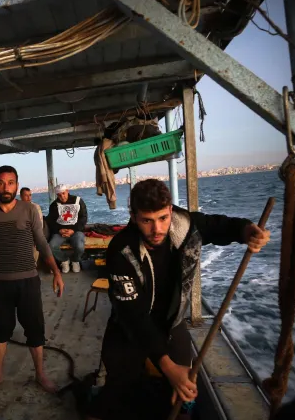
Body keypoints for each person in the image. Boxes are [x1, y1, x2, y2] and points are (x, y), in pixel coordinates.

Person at [87, 179, 270, 420]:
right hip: (129, 327)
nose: (157, 229)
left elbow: (218, 226)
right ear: (133, 217)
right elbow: (133, 316)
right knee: (117, 394)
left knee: (184, 397)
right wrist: (167, 366)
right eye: (147, 221)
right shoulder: (121, 250)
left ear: (170, 210)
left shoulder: (185, 225)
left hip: (172, 322)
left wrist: (246, 231)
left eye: (163, 218)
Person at [0, 166, 65, 396]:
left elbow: (42, 243)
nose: (6, 188)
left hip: (28, 281)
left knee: (35, 329)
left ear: (16, 185)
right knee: (0, 330)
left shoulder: (30, 210)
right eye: (1, 183)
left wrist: (56, 272)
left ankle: (40, 374)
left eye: (10, 183)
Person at [46, 184, 88, 273]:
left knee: (80, 246)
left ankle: (75, 260)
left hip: (76, 231)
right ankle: (64, 260)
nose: (62, 197)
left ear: (67, 191)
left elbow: (84, 218)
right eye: (59, 195)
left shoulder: (78, 201)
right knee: (51, 246)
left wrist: (73, 230)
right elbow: (51, 221)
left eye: (63, 193)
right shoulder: (54, 205)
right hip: (60, 232)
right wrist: (59, 230)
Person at [20, 187, 44, 262]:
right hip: (21, 234)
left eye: (30, 195)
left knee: (36, 243)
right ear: (21, 196)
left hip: (33, 234)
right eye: (26, 195)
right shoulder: (17, 208)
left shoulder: (36, 207)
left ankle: (33, 265)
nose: (29, 197)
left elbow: (39, 224)